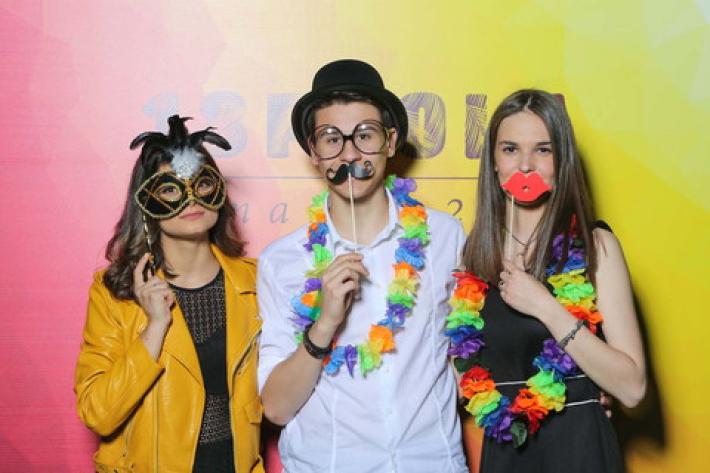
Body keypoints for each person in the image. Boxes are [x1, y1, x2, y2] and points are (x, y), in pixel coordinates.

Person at [257, 59, 469, 472]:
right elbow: (276, 408)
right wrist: (324, 323)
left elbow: (477, 351)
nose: (350, 153)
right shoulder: (281, 261)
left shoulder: (446, 237)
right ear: (314, 152)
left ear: (390, 142)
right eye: (331, 139)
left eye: (365, 135)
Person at [448, 89, 646, 472]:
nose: (525, 165)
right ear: (493, 162)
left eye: (543, 149)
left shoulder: (596, 247)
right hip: (506, 454)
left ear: (562, 160)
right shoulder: (473, 255)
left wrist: (545, 307)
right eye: (510, 149)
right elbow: (461, 371)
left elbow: (633, 388)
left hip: (579, 451)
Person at [74, 116, 264, 473]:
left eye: (202, 183)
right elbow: (98, 413)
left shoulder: (257, 283)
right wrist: (154, 328)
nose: (191, 199)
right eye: (171, 190)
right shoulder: (116, 292)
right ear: (146, 202)